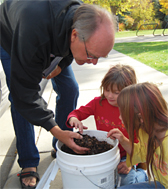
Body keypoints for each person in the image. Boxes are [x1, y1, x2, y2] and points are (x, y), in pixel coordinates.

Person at [0, 0, 115, 188]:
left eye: (99, 57)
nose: (93, 62)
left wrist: (61, 65)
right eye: (91, 55)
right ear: (75, 35)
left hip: (51, 31)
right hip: (12, 34)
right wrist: (53, 126)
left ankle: (60, 144)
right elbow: (25, 94)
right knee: (19, 98)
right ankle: (28, 160)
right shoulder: (33, 32)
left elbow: (68, 46)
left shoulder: (81, 16)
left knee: (70, 88)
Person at [66, 64, 148, 186]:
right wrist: (74, 119)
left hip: (126, 155)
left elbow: (139, 144)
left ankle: (141, 174)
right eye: (107, 90)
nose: (109, 95)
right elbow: (76, 113)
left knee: (126, 182)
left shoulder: (134, 110)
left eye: (116, 92)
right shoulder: (98, 103)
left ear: (129, 91)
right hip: (104, 153)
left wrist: (131, 163)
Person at [107, 82, 168, 189]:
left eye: (123, 113)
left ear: (140, 117)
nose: (120, 118)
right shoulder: (145, 131)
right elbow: (141, 153)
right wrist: (122, 139)